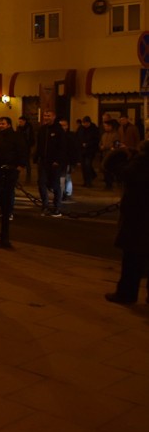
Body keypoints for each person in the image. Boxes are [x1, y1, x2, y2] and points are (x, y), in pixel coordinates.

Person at [104, 140, 149, 305]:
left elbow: (116, 169)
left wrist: (121, 155)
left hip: (139, 217)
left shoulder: (142, 161)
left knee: (133, 258)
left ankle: (126, 294)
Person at [0, 116, 27, 248]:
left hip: (11, 168)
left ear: (9, 124)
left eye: (3, 123)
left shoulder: (16, 136)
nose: (0, 125)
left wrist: (20, 166)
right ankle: (5, 208)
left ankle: (7, 210)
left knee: (8, 191)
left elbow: (22, 150)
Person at [34, 109, 67, 217]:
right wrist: (36, 157)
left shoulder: (59, 130)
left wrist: (58, 160)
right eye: (45, 115)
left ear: (53, 116)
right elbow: (39, 144)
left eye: (48, 115)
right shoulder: (42, 129)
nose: (46, 118)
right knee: (41, 183)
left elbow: (62, 147)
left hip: (55, 162)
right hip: (43, 161)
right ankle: (45, 205)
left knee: (56, 185)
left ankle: (57, 206)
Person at [59, 118, 80, 200]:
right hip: (60, 159)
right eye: (60, 125)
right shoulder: (58, 135)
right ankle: (63, 192)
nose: (62, 127)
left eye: (64, 125)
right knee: (62, 177)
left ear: (67, 126)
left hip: (68, 159)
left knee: (66, 176)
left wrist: (76, 161)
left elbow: (75, 148)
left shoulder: (71, 136)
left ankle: (66, 193)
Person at [76, 116, 100, 187]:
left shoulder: (94, 129)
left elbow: (96, 139)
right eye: (84, 123)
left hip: (90, 150)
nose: (85, 125)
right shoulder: (80, 128)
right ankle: (86, 181)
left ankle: (89, 181)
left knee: (88, 165)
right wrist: (80, 144)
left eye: (86, 123)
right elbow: (77, 137)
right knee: (84, 166)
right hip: (82, 150)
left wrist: (88, 144)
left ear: (89, 122)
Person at [100, 119, 121, 189]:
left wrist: (107, 147)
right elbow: (101, 143)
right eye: (104, 126)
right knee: (105, 170)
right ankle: (107, 183)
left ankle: (110, 184)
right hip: (104, 154)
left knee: (109, 170)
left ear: (110, 126)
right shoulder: (104, 134)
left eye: (106, 126)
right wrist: (101, 146)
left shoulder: (115, 134)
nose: (105, 128)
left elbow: (116, 144)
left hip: (111, 155)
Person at [16, 116, 35, 184]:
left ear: (24, 121)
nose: (19, 123)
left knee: (27, 161)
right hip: (20, 146)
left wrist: (28, 145)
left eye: (21, 121)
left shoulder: (28, 128)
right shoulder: (19, 128)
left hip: (26, 146)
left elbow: (30, 138)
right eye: (19, 121)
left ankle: (28, 175)